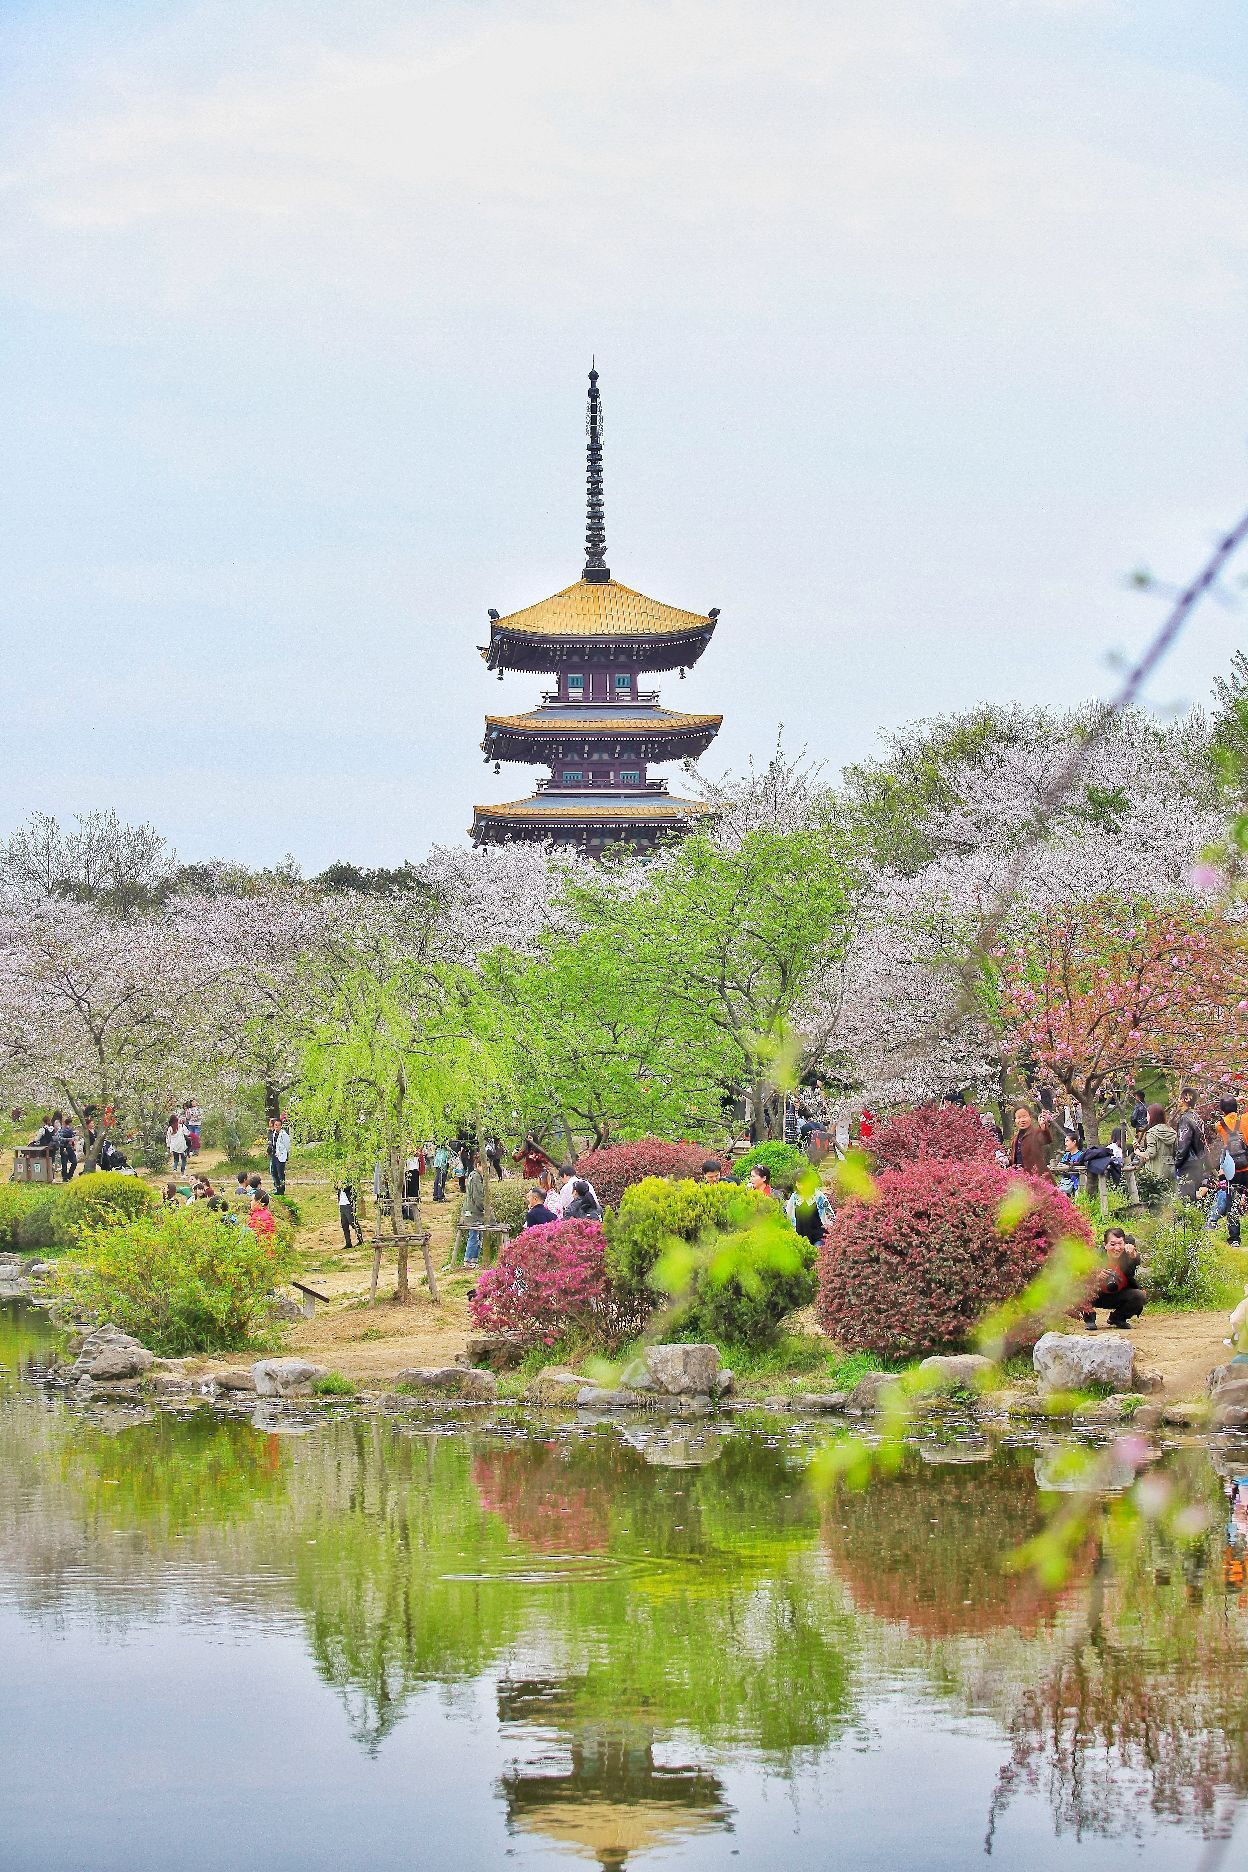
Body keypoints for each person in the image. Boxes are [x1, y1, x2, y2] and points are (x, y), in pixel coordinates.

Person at [1082, 1227, 1146, 1330]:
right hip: (1096, 1295)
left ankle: (1118, 1318)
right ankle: (1089, 1318)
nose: (1117, 1248)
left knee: (1139, 1296)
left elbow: (1136, 1260)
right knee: (1078, 1289)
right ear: (1105, 1245)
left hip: (1118, 1294)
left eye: (1120, 1244)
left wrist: (1133, 1255)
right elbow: (1081, 1278)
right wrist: (1096, 1276)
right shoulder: (1096, 1257)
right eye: (1112, 1244)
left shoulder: (1127, 1256)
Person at [1215, 1098, 1248, 1243]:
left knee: (1232, 1203)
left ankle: (1234, 1239)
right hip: (1247, 1166)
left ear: (1222, 1110)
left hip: (1231, 1170)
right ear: (1237, 1107)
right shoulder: (1245, 1120)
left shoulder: (1219, 1126)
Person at [1174, 1088, 1210, 1201]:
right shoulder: (1197, 1118)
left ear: (1185, 1099)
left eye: (1180, 1098)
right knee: (1195, 1199)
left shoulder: (1185, 1119)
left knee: (1187, 1200)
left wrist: (1176, 1163)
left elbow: (1183, 1144)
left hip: (1188, 1164)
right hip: (1199, 1163)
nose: (1178, 1101)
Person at [785, 1167, 834, 1243]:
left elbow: (830, 1214)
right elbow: (788, 1214)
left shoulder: (818, 1196)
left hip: (819, 1236)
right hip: (800, 1238)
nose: (801, 1187)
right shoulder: (794, 1197)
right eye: (799, 1184)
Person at [1136, 1104, 1177, 1187]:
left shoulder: (1152, 1132)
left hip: (1156, 1169)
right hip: (1171, 1168)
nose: (1147, 1118)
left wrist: (1137, 1152)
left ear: (1152, 1116)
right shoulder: (1172, 1131)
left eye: (1148, 1115)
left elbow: (1151, 1153)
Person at [461, 1151, 490, 1266]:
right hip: (473, 1211)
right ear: (478, 1166)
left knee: (477, 1235)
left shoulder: (476, 1176)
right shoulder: (476, 1177)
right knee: (474, 1236)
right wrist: (485, 1209)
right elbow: (478, 1197)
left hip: (474, 1210)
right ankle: (468, 1260)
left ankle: (473, 1259)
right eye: (485, 1168)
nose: (487, 1171)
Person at [1010, 1109, 1050, 1178]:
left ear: (1030, 1117)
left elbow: (1046, 1140)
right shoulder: (1015, 1138)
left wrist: (1043, 1128)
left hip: (1037, 1177)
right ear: (1015, 1120)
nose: (1022, 1120)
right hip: (1020, 1178)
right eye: (1019, 1118)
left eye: (1024, 1116)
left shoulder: (1036, 1132)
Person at [337, 1182, 364, 1249]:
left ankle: (360, 1240)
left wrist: (342, 1185)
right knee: (344, 1224)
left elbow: (349, 1188)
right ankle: (348, 1243)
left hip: (348, 1205)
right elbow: (336, 1188)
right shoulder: (339, 1178)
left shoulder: (349, 1178)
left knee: (353, 1222)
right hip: (342, 1205)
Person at [269, 1116, 291, 1195]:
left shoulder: (284, 1135)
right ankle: (277, 1187)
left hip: (281, 1156)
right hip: (274, 1155)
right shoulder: (273, 1134)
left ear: (281, 1126)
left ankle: (282, 1188)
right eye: (275, 1125)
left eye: (278, 1125)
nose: (277, 1127)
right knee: (273, 1172)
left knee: (280, 1173)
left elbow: (287, 1146)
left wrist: (287, 1155)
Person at [56, 1116, 77, 1182]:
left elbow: (74, 1137)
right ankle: (64, 1177)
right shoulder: (61, 1129)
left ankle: (70, 1175)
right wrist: (68, 1139)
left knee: (74, 1162)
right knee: (64, 1163)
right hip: (63, 1147)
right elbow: (59, 1138)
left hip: (70, 1147)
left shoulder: (70, 1129)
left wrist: (73, 1141)